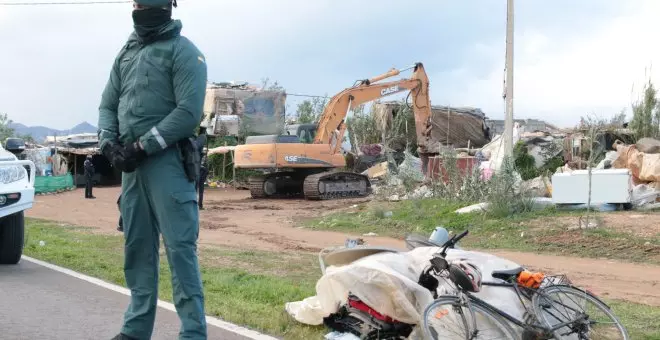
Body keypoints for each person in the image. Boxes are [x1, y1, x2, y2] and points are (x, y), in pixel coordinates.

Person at [97, 1, 208, 339]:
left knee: (180, 250)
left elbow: (189, 112)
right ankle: (134, 331)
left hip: (168, 165)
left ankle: (192, 333)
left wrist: (143, 145)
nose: (140, 7)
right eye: (137, 2)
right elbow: (107, 104)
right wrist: (108, 144)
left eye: (147, 2)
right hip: (132, 172)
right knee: (137, 250)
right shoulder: (126, 53)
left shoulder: (185, 52)